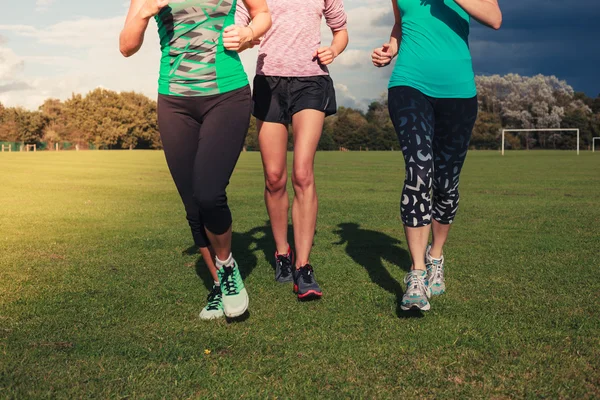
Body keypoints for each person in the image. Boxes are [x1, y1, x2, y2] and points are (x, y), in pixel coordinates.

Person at [120, 0, 271, 319]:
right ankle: (220, 284)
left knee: (208, 193)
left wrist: (247, 32)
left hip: (227, 94)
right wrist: (145, 13)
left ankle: (227, 265)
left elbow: (263, 14)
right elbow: (126, 46)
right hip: (174, 102)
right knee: (193, 204)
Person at [371, 0, 502, 311]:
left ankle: (435, 257)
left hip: (459, 93)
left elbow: (494, 18)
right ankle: (416, 274)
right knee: (418, 171)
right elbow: (402, 24)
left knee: (446, 183)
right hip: (409, 84)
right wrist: (390, 48)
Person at [236, 0, 348, 300]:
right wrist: (246, 37)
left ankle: (303, 265)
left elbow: (341, 31)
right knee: (274, 177)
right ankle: (282, 253)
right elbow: (240, 34)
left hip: (311, 81)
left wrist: (334, 50)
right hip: (268, 82)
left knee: (302, 173)